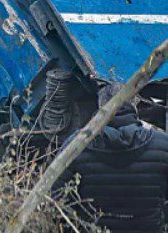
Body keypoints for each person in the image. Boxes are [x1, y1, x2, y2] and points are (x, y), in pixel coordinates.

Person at [54, 83, 168, 232]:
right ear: (134, 106)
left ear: (100, 106)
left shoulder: (76, 145)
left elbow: (55, 201)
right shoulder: (162, 145)